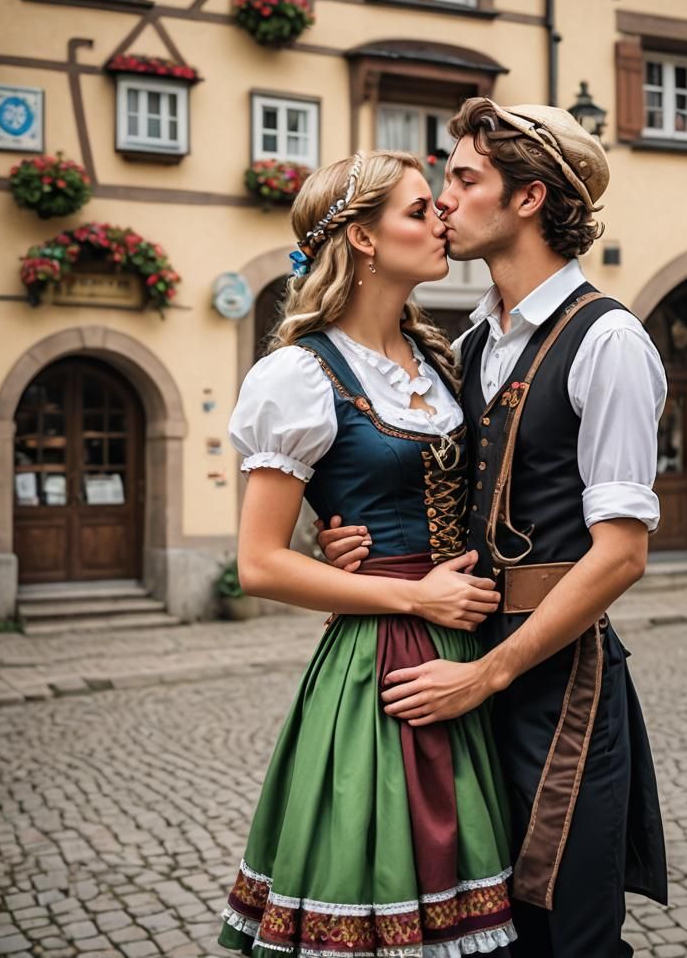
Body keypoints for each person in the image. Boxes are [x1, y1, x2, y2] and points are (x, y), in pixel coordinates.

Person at [320, 99, 669, 957]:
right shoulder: (472, 342)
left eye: (465, 178)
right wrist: (353, 550)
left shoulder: (608, 340)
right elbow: (428, 492)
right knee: (483, 925)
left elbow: (621, 555)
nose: (443, 199)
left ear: (529, 198)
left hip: (556, 676)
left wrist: (492, 677)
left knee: (568, 927)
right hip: (463, 649)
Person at [218, 150, 517, 958]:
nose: (441, 219)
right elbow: (259, 564)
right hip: (384, 656)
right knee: (382, 868)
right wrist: (415, 597)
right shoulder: (300, 374)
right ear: (364, 238)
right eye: (419, 210)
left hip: (468, 646)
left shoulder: (445, 361)